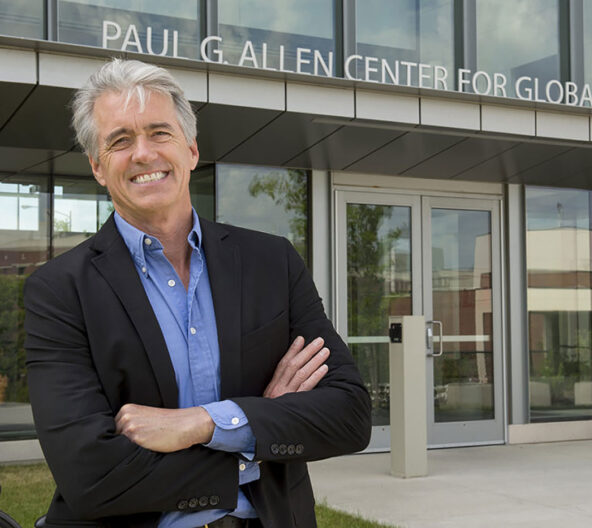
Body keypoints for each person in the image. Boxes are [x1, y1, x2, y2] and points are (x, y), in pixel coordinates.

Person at [24, 58, 371, 528]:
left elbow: (348, 415)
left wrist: (205, 422)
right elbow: (90, 477)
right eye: (120, 140)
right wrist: (257, 431)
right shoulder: (59, 290)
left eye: (159, 133)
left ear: (190, 150)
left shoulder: (271, 262)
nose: (143, 153)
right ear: (97, 168)